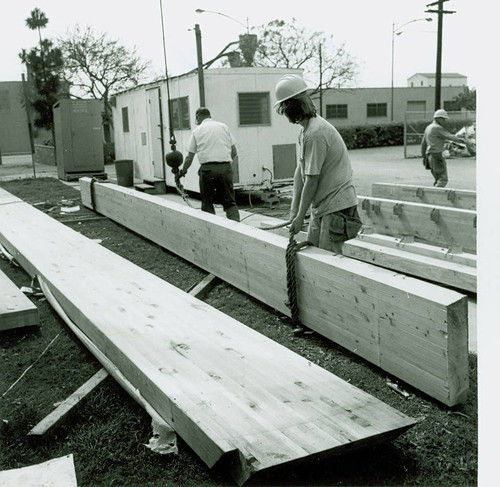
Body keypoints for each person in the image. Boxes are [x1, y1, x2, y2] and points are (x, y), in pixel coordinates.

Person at [274, 74, 362, 254]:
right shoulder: (305, 131)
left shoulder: (316, 133)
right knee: (313, 253)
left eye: (283, 108)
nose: (283, 113)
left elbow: (312, 180)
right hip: (323, 205)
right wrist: (295, 212)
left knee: (328, 260)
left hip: (336, 205)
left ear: (292, 107)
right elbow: (300, 172)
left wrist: (300, 217)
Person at [180, 108, 240, 221]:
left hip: (207, 170)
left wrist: (183, 171)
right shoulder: (223, 127)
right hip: (225, 168)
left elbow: (189, 157)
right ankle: (238, 229)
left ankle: (211, 232)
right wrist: (224, 163)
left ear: (197, 117)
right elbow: (234, 152)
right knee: (230, 202)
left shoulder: (197, 131)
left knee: (207, 203)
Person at [421, 109, 466, 187]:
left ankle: (434, 195)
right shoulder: (437, 128)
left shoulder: (428, 127)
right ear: (438, 118)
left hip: (429, 155)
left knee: (437, 179)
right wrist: (465, 141)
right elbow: (450, 137)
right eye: (443, 119)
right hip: (436, 155)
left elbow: (423, 144)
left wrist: (424, 157)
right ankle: (437, 197)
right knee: (442, 179)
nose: (444, 121)